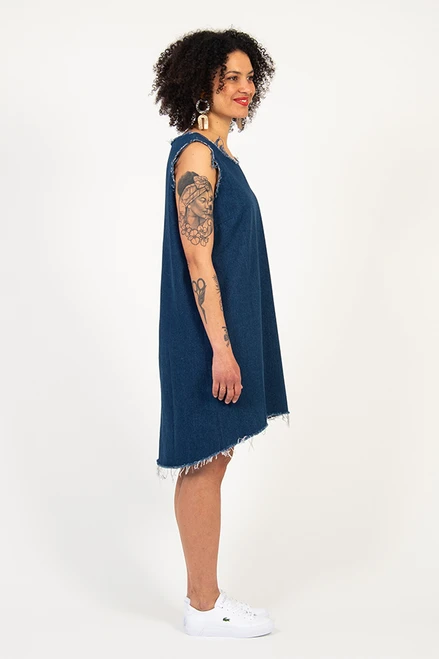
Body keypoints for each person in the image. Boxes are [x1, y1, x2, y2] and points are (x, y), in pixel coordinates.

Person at [151, 28, 290, 638]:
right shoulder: (196, 155)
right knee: (205, 461)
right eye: (229, 77)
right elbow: (198, 257)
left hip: (219, 334)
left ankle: (204, 601)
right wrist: (222, 350)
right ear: (200, 83)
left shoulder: (220, 155)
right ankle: (204, 607)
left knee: (213, 457)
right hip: (206, 338)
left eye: (249, 77)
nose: (244, 87)